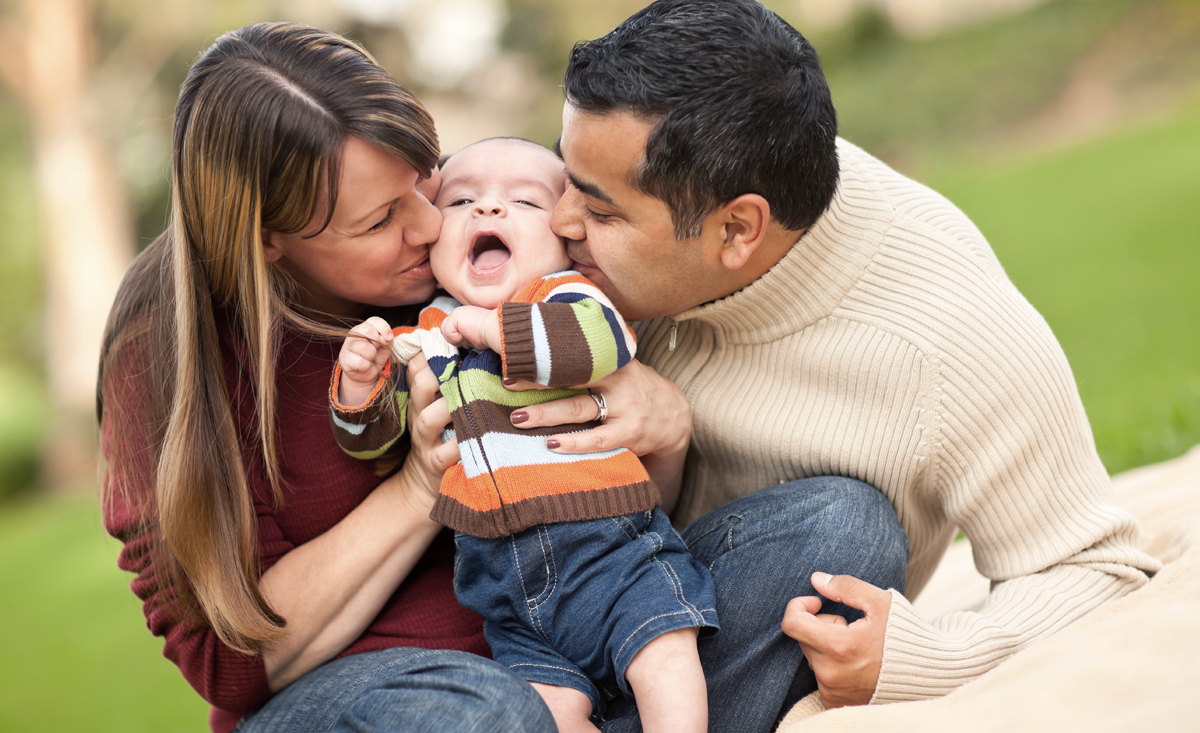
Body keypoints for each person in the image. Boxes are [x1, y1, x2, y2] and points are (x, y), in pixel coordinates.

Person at [542, 0, 1161, 722]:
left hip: (704, 624)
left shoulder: (945, 332)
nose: (557, 220)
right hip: (525, 584)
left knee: (844, 530)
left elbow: (1094, 566)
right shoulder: (561, 218)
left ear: (737, 229)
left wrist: (929, 653)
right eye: (562, 175)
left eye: (601, 210)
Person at [96, 24, 688, 733]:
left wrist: (668, 433)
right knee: (486, 710)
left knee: (819, 524)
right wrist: (418, 484)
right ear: (266, 239)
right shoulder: (166, 350)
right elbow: (230, 660)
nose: (432, 221)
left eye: (425, 176)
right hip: (385, 699)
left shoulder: (474, 266)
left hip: (570, 642)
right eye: (381, 219)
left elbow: (621, 513)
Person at [328, 137, 717, 733]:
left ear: (565, 237)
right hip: (506, 596)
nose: (487, 210)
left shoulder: (568, 297)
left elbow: (600, 344)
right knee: (543, 714)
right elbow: (375, 443)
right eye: (460, 201)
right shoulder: (428, 334)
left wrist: (490, 327)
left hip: (613, 557)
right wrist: (361, 388)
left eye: (525, 202)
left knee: (663, 655)